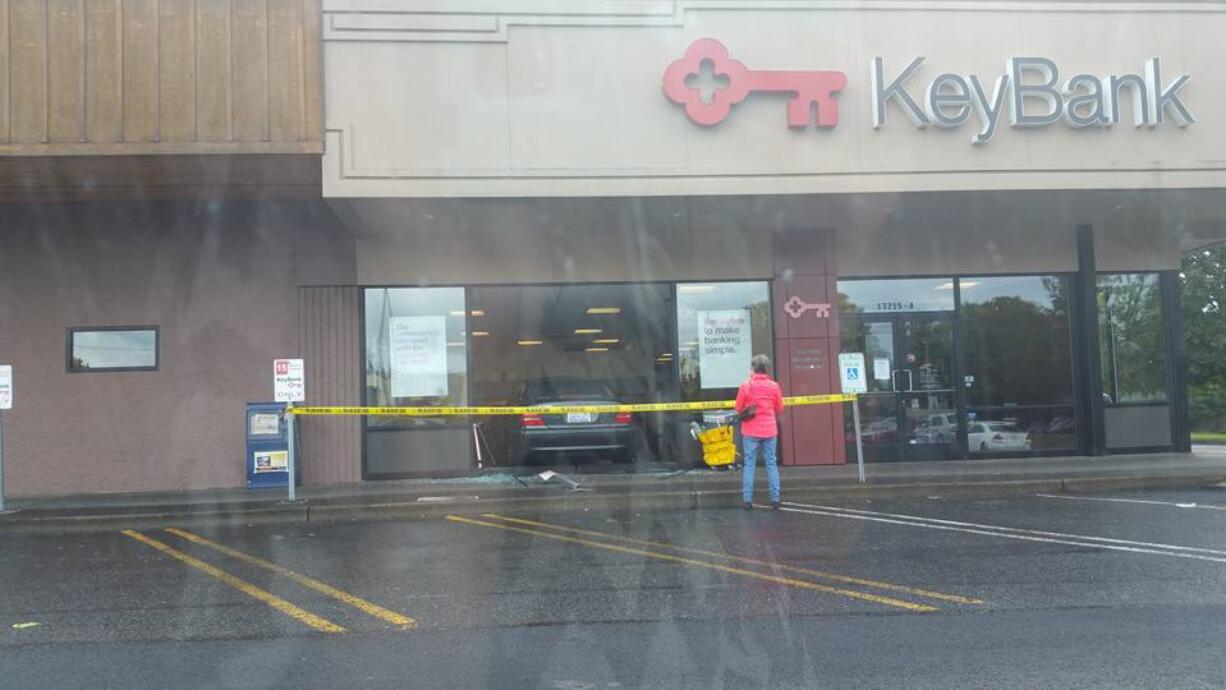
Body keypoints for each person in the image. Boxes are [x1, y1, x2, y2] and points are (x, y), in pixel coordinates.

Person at [735, 354, 784, 510]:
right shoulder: (774, 386)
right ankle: (775, 499)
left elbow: (738, 407)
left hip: (750, 430)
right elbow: (779, 408)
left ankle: (747, 500)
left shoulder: (746, 386)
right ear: (767, 369)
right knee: (771, 463)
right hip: (769, 430)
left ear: (753, 368)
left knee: (749, 464)